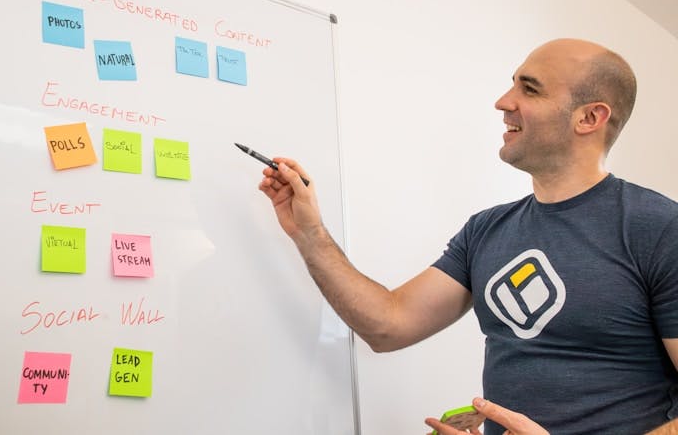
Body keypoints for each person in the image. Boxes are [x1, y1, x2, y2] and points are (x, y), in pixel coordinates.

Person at [257, 39, 678, 434]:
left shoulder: (658, 228)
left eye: (529, 90)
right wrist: (309, 233)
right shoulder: (486, 230)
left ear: (589, 118)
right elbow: (389, 325)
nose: (503, 102)